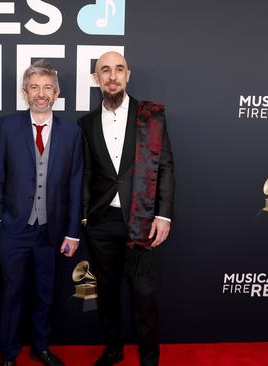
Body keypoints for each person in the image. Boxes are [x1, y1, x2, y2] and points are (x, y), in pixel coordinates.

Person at [78, 51, 174, 366]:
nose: (112, 75)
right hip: (102, 222)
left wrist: (163, 214)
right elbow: (87, 174)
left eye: (119, 69)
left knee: (143, 295)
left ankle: (149, 359)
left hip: (142, 220)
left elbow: (165, 167)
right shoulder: (87, 123)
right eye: (105, 70)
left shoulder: (151, 116)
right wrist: (84, 214)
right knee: (106, 292)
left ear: (128, 75)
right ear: (96, 78)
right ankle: (113, 350)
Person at [0, 60, 83, 366]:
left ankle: (40, 347)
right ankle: (8, 354)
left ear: (56, 92)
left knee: (45, 294)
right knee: (11, 294)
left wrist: (72, 231)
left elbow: (75, 183)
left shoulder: (71, 132)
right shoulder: (7, 126)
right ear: (24, 92)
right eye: (34, 87)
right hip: (13, 229)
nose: (41, 94)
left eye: (47, 87)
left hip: (51, 231)